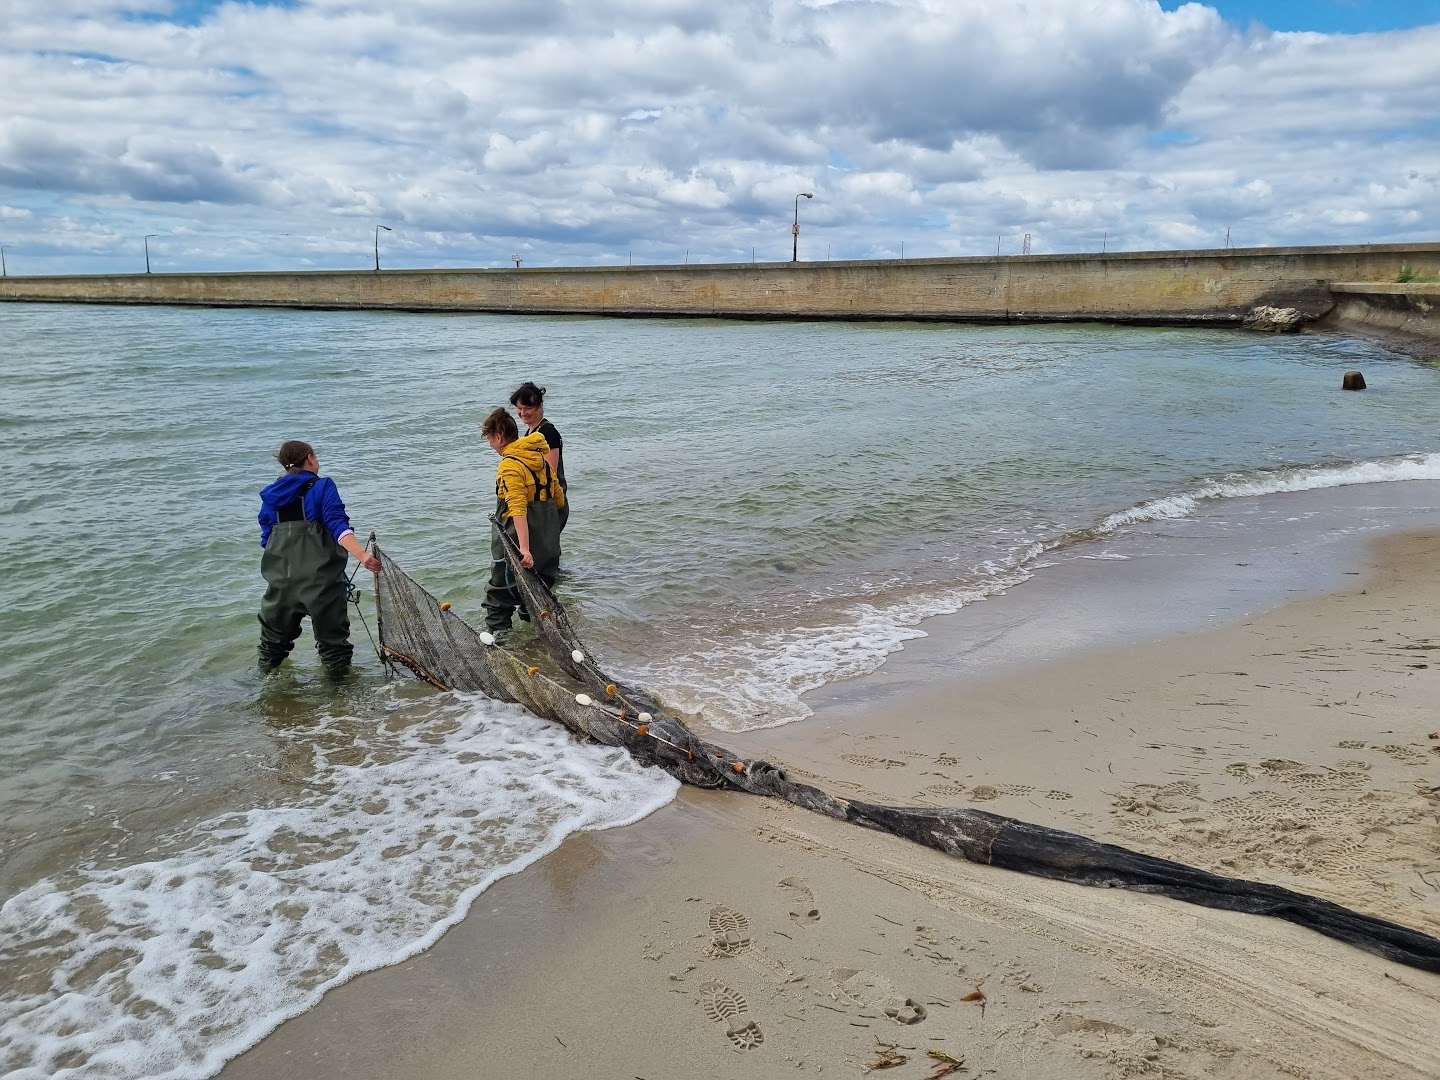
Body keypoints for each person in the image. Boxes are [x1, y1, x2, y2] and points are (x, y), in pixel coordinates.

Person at [256, 440, 380, 678]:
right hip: (321, 583)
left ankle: (262, 696)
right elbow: (337, 525)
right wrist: (363, 556)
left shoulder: (270, 496)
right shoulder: (322, 487)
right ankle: (339, 707)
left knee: (271, 649)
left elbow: (267, 539)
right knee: (334, 651)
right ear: (310, 459)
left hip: (280, 583)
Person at [481, 407, 565, 634]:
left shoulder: (509, 465)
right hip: (547, 542)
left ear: (498, 437)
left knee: (500, 592)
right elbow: (558, 498)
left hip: (517, 541)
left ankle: (499, 642)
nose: (491, 446)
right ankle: (540, 639)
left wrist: (524, 549)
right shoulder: (540, 460)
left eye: (490, 440)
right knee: (539, 592)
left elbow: (517, 509)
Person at [509, 381, 568, 531]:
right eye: (519, 408)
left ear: (540, 406)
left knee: (544, 552)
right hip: (538, 504)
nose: (523, 413)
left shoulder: (548, 433)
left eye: (528, 408)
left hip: (549, 505)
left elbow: (549, 475)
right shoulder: (530, 433)